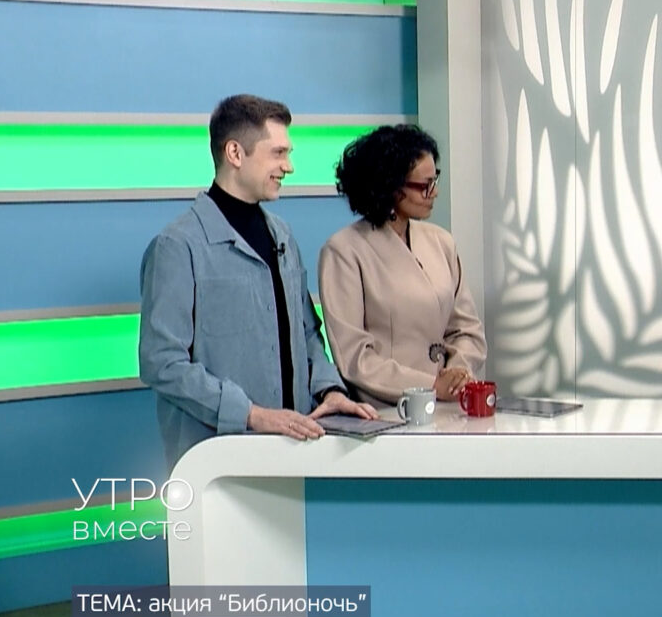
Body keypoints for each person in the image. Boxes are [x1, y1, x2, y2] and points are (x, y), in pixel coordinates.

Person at [139, 94, 377, 464]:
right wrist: (251, 414)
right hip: (215, 462)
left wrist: (329, 390)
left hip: (295, 453)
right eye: (278, 153)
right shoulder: (178, 246)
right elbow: (162, 363)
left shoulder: (282, 235)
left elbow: (306, 333)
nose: (289, 167)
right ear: (235, 153)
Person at [318, 125, 487, 404]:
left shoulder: (441, 242)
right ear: (390, 186)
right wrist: (429, 386)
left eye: (435, 180)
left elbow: (467, 330)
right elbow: (353, 356)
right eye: (424, 186)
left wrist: (456, 375)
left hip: (449, 406)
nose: (434, 192)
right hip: (386, 410)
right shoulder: (344, 251)